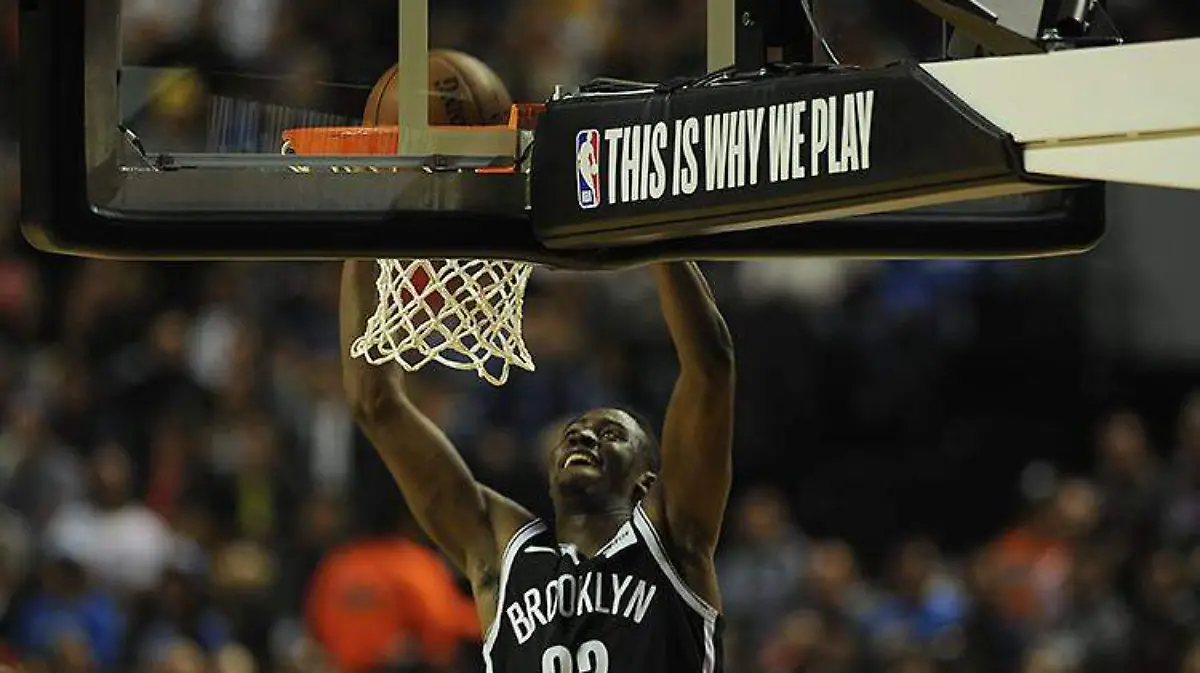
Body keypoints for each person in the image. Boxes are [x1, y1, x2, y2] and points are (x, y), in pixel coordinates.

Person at [340, 260, 735, 673]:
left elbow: (710, 367)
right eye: (572, 434)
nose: (583, 437)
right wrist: (364, 250)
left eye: (610, 434)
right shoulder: (507, 557)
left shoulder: (673, 540)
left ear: (645, 481)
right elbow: (376, 404)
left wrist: (658, 246)